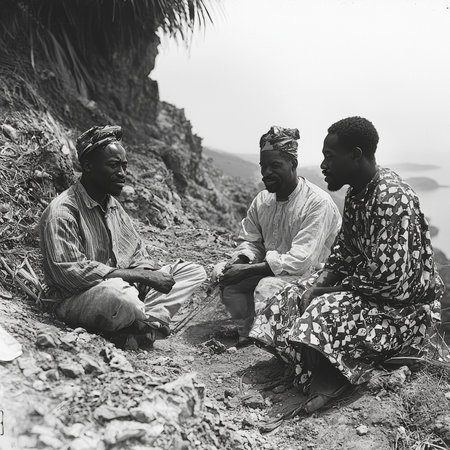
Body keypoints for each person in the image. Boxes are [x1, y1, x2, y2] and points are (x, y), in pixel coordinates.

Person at [250, 116, 444, 412]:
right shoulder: (357, 193)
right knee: (287, 300)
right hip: (368, 296)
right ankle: (320, 365)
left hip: (401, 313)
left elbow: (390, 285)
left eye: (330, 157)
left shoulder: (391, 200)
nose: (324, 165)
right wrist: (320, 282)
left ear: (355, 155)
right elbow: (343, 252)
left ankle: (335, 374)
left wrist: (330, 292)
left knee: (322, 310)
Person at [39, 125, 206, 347]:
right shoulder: (62, 211)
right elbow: (69, 272)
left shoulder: (113, 205)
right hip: (79, 298)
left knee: (192, 272)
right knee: (120, 295)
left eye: (124, 166)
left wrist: (145, 271)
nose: (122, 173)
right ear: (88, 166)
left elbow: (136, 250)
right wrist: (138, 277)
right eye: (113, 165)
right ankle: (143, 323)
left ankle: (138, 325)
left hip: (125, 288)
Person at [213, 126, 341, 347]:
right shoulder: (262, 200)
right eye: (263, 166)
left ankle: (273, 339)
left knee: (266, 287)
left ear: (292, 164)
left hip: (313, 278)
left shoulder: (318, 203)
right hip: (271, 272)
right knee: (228, 284)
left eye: (275, 166)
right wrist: (240, 261)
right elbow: (251, 240)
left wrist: (249, 270)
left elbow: (301, 261)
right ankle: (249, 332)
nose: (266, 173)